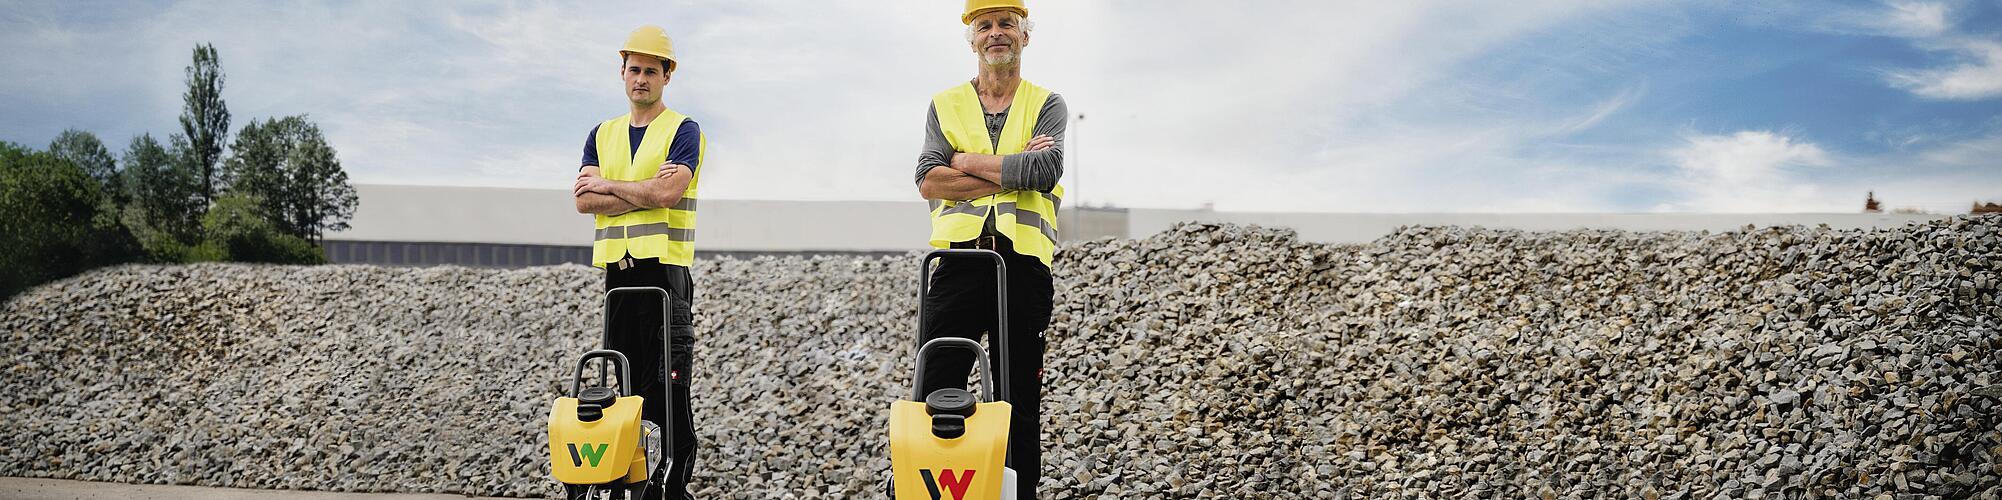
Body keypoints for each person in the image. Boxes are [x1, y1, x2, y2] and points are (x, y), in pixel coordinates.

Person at [913, 1, 1067, 497]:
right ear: (972, 39)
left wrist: (961, 160)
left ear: (1025, 37)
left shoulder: (1048, 103)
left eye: (1007, 25)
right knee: (934, 389)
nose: (995, 33)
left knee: (1018, 399)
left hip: (1021, 265)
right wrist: (1008, 170)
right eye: (985, 26)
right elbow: (928, 180)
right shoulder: (945, 103)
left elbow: (1043, 173)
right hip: (957, 264)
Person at [572, 24, 704, 500]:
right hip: (618, 279)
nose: (641, 79)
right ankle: (624, 479)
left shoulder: (683, 130)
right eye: (634, 70)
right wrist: (641, 191)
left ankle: (670, 486)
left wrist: (611, 187)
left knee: (668, 390)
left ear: (667, 76)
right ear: (622, 73)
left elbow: (669, 192)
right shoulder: (601, 134)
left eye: (651, 70)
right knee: (622, 387)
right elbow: (585, 201)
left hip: (665, 276)